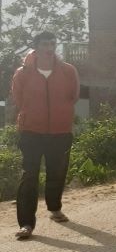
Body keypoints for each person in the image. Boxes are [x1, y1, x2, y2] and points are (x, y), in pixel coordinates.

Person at [10, 31, 79, 240]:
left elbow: (73, 97)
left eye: (52, 43)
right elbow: (19, 99)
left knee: (57, 172)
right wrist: (33, 115)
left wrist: (60, 115)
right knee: (29, 175)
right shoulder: (22, 73)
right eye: (45, 44)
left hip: (60, 131)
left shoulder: (68, 71)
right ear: (36, 47)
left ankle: (54, 208)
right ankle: (26, 224)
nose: (49, 48)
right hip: (31, 131)